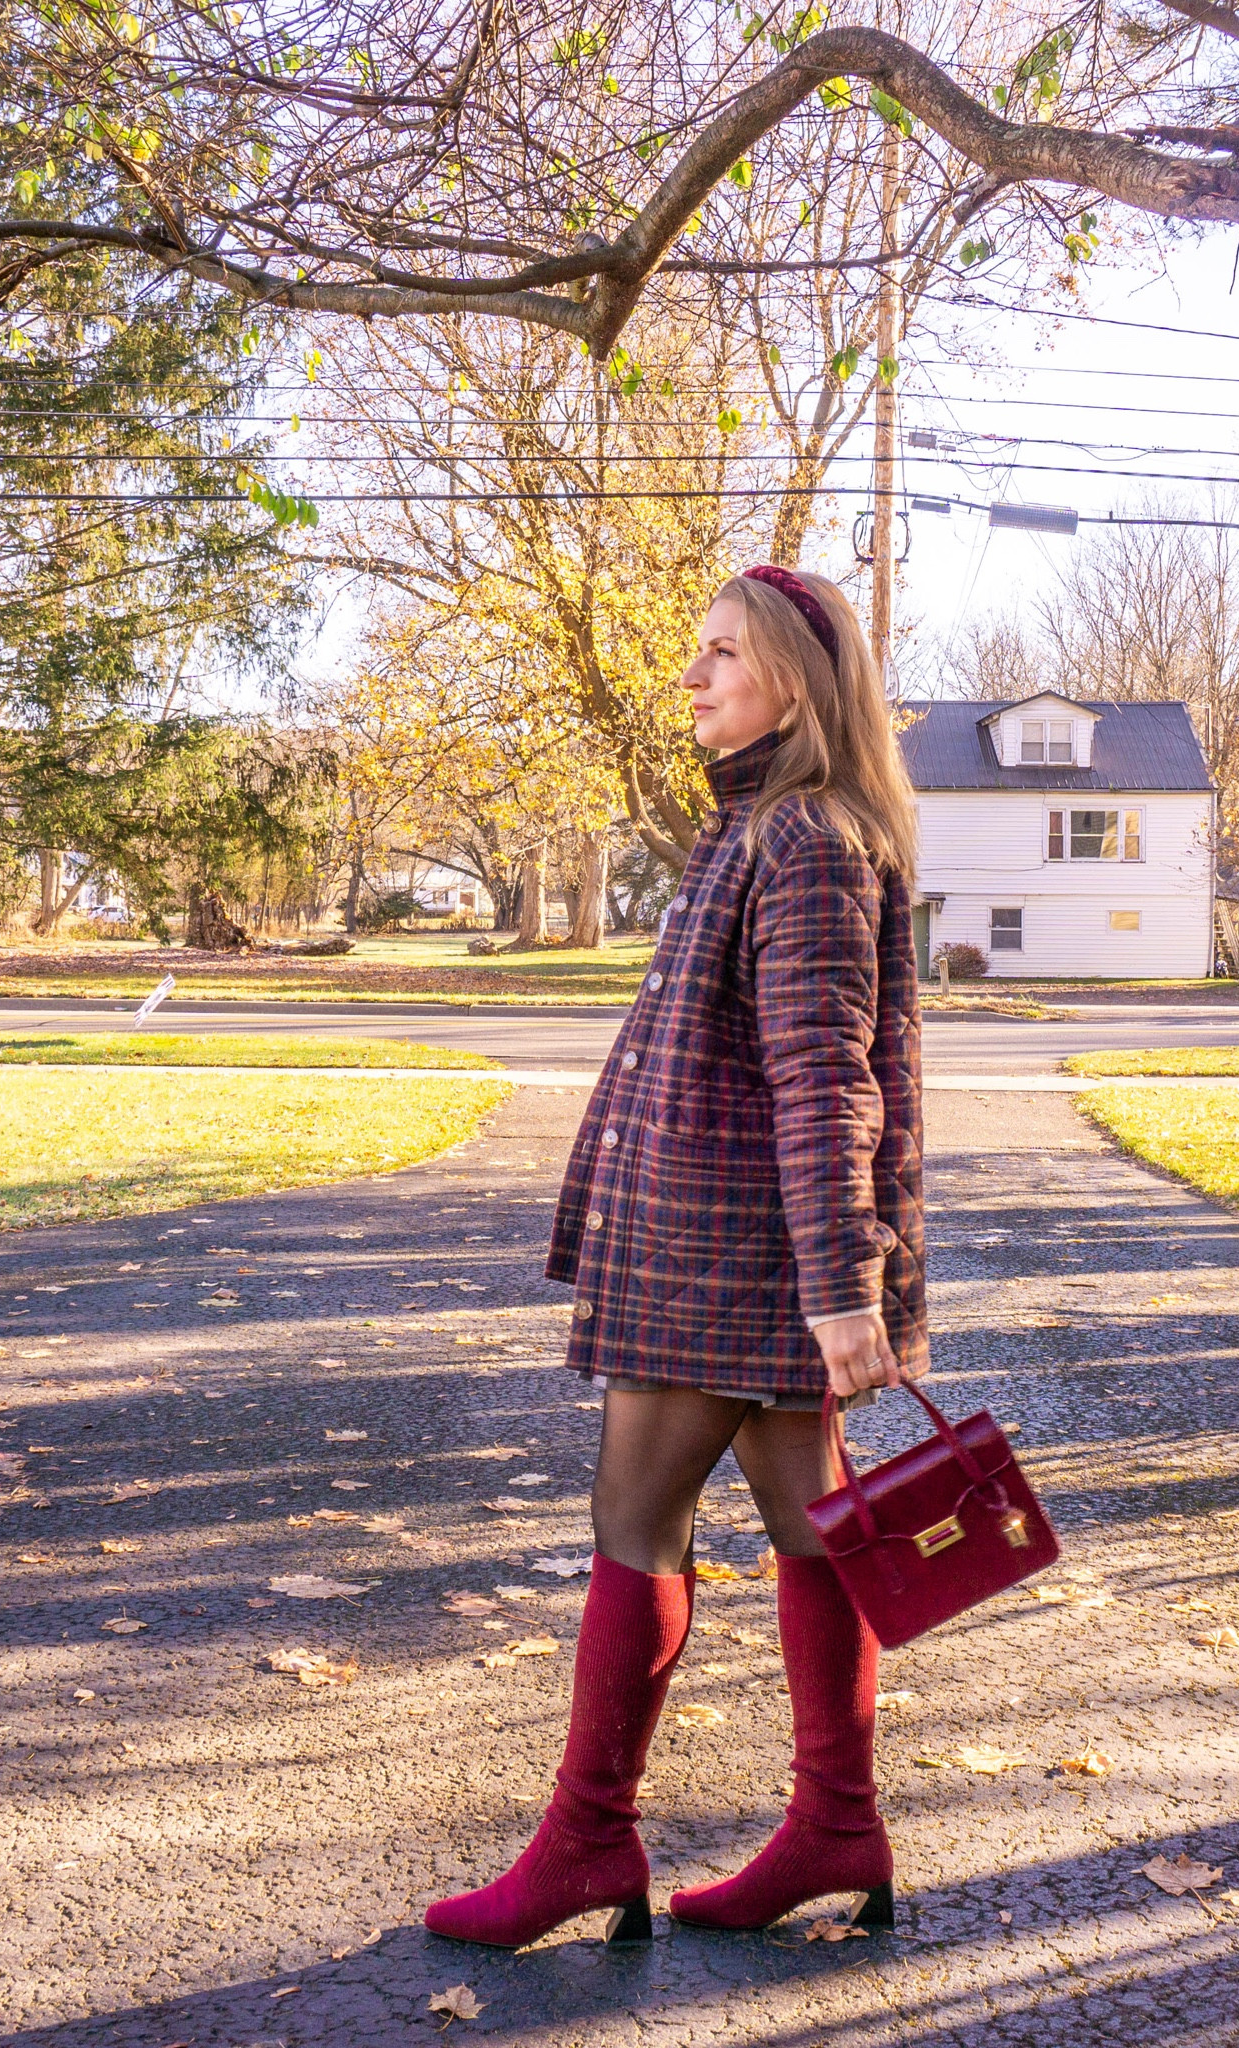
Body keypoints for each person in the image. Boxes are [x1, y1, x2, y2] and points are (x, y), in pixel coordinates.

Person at [423, 563, 926, 1949]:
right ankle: (836, 1820)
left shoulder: (807, 839)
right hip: (739, 1250)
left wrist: (843, 1288)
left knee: (635, 1528)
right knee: (813, 1532)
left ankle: (590, 1844)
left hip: (732, 1259)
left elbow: (829, 1078)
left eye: (721, 655)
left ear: (797, 683)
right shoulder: (768, 827)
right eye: (696, 654)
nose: (692, 678)